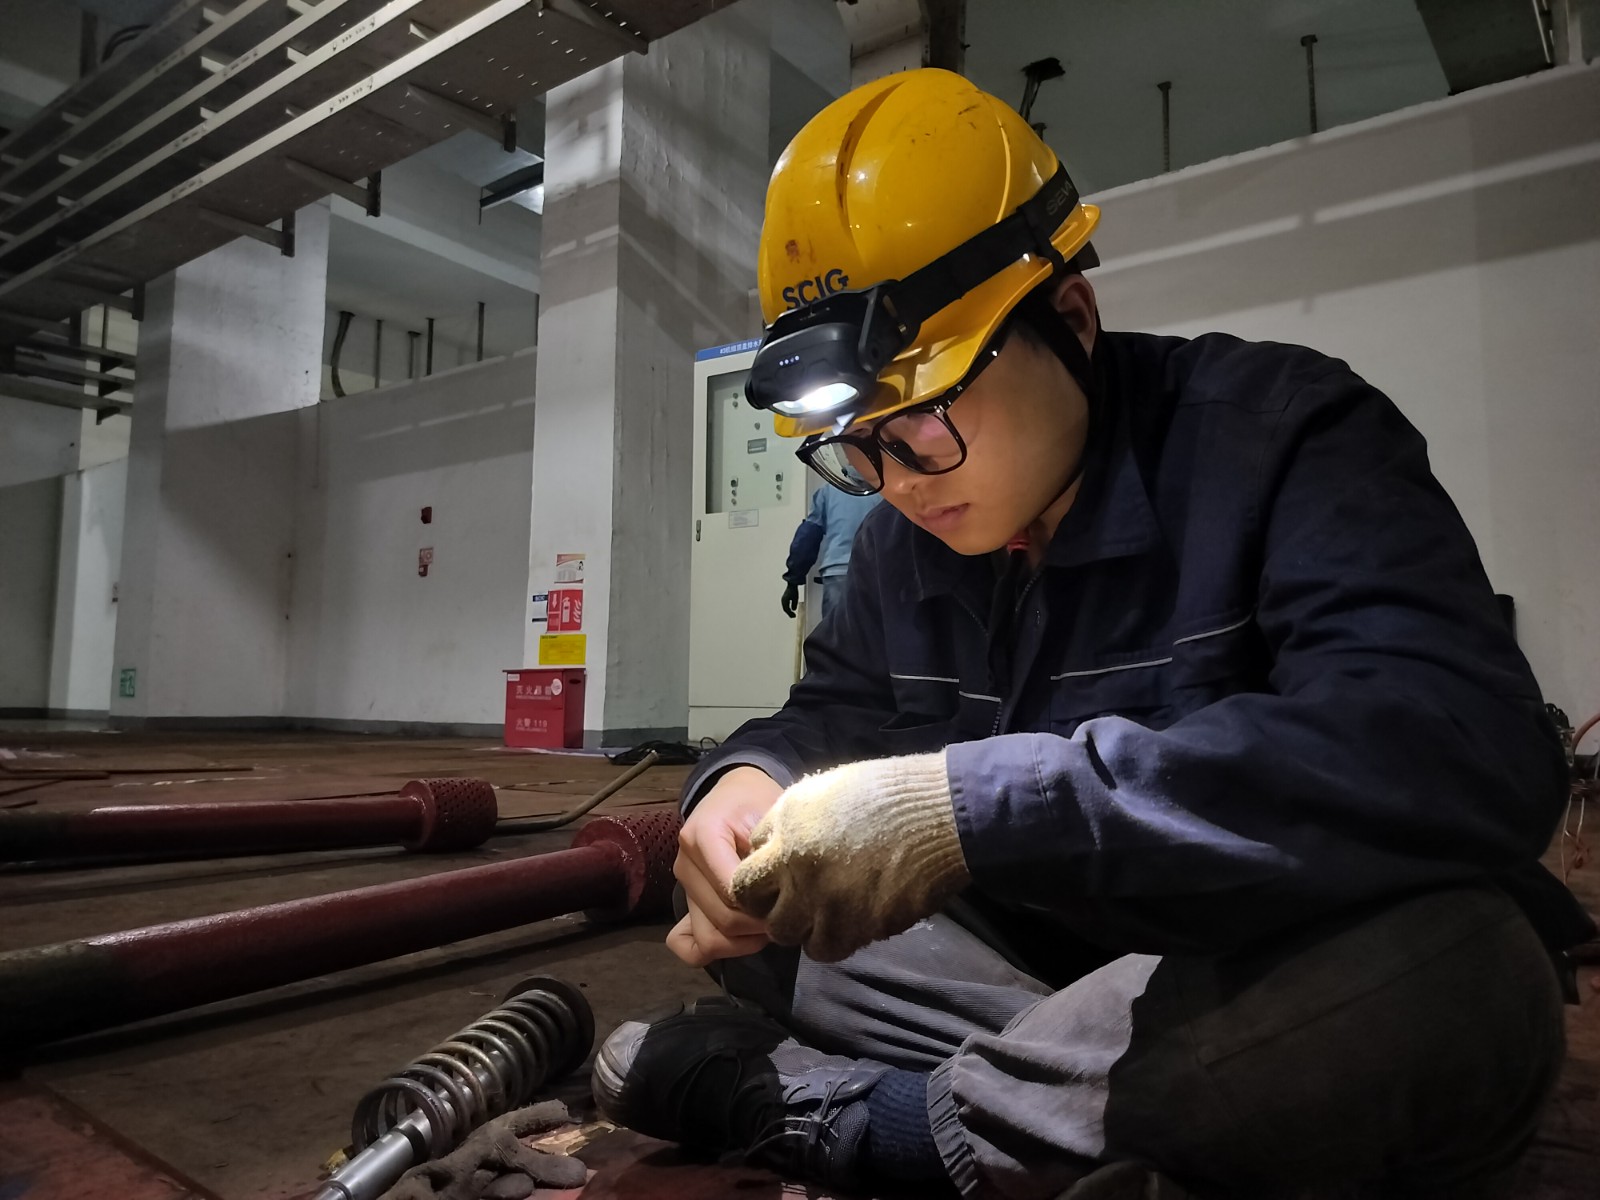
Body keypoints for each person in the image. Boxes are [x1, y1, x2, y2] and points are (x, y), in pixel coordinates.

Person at [591, 69, 1593, 1199]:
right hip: (1055, 977)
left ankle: (871, 1120)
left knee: (1461, 972)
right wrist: (744, 785)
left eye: (923, 419)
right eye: (857, 443)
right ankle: (1100, 1116)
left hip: (1229, 950)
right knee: (764, 905)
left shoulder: (1284, 439)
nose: (896, 480)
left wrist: (972, 810)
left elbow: (1462, 745)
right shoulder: (903, 542)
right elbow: (833, 711)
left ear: (1069, 318)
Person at [782, 483, 882, 624]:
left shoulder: (829, 491)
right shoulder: (887, 490)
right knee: (878, 633)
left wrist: (793, 581)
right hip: (877, 574)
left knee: (837, 634)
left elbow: (808, 536)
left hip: (837, 574)